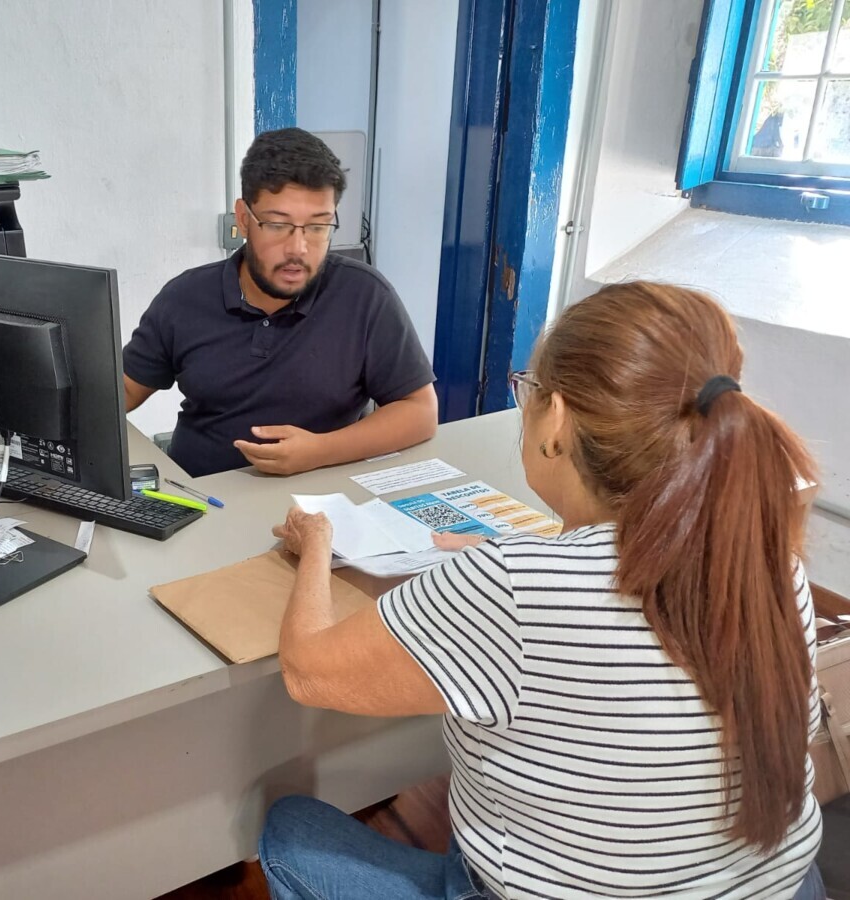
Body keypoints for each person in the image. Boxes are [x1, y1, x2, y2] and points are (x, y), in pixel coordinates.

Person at [259, 282, 826, 899]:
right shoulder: (769, 562)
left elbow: (307, 671)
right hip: (783, 886)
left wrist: (319, 541)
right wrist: (519, 565)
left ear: (554, 418)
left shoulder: (513, 587)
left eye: (526, 390)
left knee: (288, 832)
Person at [122, 128, 437, 478]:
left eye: (318, 226)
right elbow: (124, 389)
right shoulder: (184, 298)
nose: (298, 249)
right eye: (277, 224)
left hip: (323, 496)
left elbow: (420, 411)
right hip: (201, 496)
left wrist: (320, 450)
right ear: (243, 219)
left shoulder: (365, 296)